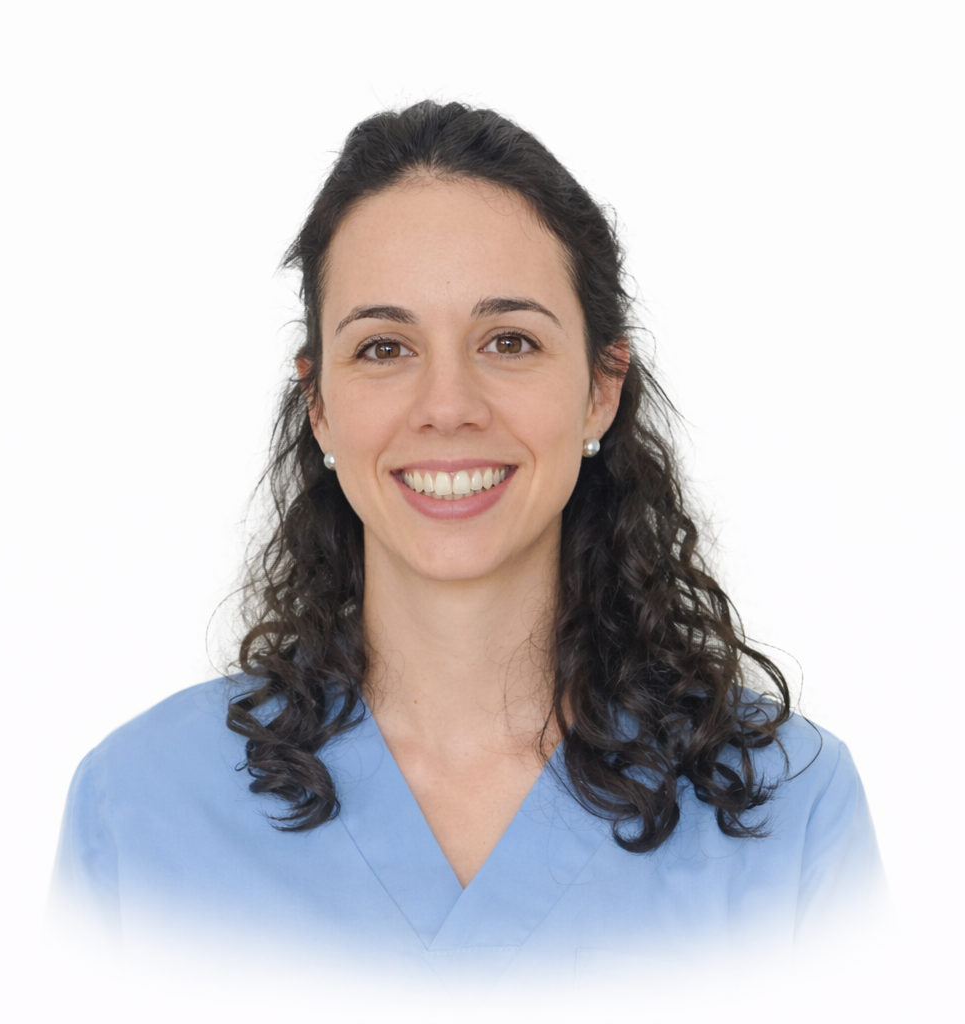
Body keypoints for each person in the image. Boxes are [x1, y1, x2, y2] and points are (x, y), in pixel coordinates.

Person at [51, 101, 884, 995]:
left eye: (509, 341)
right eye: (384, 348)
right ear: (319, 403)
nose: (447, 406)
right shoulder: (140, 808)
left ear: (602, 388)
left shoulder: (792, 813)